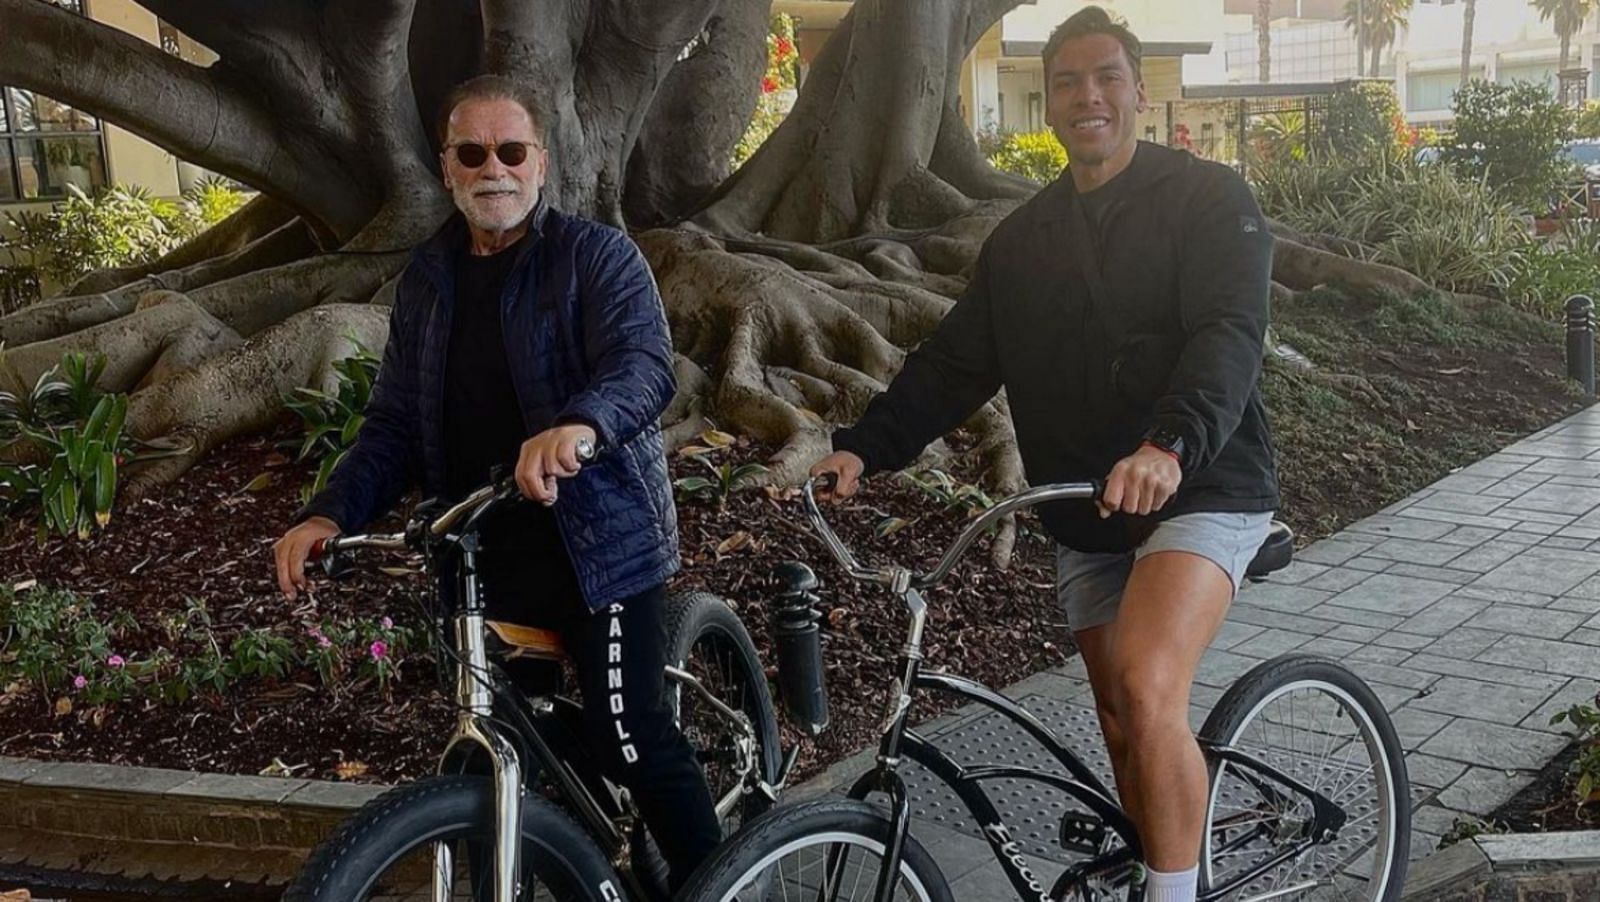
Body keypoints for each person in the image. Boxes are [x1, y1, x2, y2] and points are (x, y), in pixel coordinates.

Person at [809, 8, 1278, 902]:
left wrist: (1169, 443)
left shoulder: (1210, 200)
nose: (1087, 96)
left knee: (1145, 686)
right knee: (1117, 716)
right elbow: (955, 363)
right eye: (1067, 83)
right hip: (1084, 503)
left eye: (1106, 77)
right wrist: (864, 451)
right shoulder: (1023, 243)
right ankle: (1160, 859)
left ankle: (1172, 895)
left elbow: (1229, 334)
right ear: (1049, 105)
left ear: (1140, 91)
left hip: (1201, 482)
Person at [271, 75, 721, 890]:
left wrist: (578, 427)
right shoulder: (427, 280)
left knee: (630, 734)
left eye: (511, 151)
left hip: (598, 547)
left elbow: (643, 366)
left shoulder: (595, 257)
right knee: (499, 745)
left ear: (540, 164)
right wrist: (329, 513)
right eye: (472, 153)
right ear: (447, 169)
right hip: (485, 552)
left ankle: (719, 881)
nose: (494, 169)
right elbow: (396, 425)